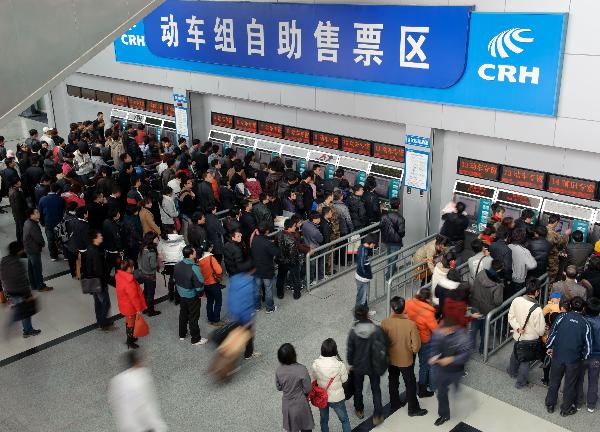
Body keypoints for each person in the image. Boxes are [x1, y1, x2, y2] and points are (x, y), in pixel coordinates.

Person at [381, 296, 428, 417]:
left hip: (390, 358)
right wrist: (410, 350)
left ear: (392, 308)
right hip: (406, 360)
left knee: (393, 380)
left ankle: (395, 403)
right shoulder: (410, 324)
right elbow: (416, 347)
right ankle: (413, 409)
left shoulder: (385, 322)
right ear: (404, 308)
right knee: (410, 383)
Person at [545, 296, 592, 416]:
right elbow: (588, 345)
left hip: (558, 356)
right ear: (583, 308)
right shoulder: (585, 323)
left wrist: (549, 347)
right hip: (573, 360)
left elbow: (553, 333)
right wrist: (584, 357)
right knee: (570, 385)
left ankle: (550, 405)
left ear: (570, 306)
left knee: (554, 381)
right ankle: (565, 410)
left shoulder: (561, 317)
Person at [108, 350, 168, 432]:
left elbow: (113, 404)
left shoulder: (115, 381)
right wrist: (158, 426)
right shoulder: (142, 377)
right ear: (136, 362)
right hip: (144, 427)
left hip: (126, 427)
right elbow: (147, 406)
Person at [428, 317, 473, 426]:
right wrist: (434, 356)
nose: (443, 332)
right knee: (441, 392)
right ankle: (444, 415)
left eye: (446, 330)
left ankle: (457, 386)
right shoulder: (438, 333)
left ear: (453, 328)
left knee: (456, 382)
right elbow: (434, 347)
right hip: (442, 369)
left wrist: (452, 359)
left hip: (456, 369)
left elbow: (466, 356)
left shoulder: (463, 337)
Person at [347, 304, 386, 425]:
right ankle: (378, 415)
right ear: (367, 314)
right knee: (376, 390)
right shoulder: (377, 329)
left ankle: (359, 409)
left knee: (358, 389)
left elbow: (350, 351)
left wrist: (351, 363)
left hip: (358, 366)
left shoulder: (353, 332)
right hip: (373, 366)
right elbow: (383, 346)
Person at [507, 279, 546, 389]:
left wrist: (517, 328)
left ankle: (512, 371)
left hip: (518, 335)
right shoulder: (537, 309)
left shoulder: (517, 300)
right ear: (537, 292)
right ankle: (521, 382)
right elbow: (540, 331)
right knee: (525, 361)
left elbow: (511, 316)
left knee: (515, 353)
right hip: (530, 339)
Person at [0, 242, 41, 338]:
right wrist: (28, 294)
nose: (23, 250)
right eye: (22, 249)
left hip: (9, 291)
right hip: (19, 292)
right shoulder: (18, 263)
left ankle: (23, 329)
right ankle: (27, 331)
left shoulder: (4, 260)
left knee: (19, 310)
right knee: (25, 312)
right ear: (18, 251)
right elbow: (22, 281)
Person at [311, 338, 351, 432]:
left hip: (322, 397)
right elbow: (345, 380)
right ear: (335, 350)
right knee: (344, 420)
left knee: (324, 421)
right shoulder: (340, 365)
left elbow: (315, 378)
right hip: (337, 398)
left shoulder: (316, 364)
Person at [405, 287, 437, 397]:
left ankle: (412, 385)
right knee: (424, 365)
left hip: (411, 337)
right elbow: (435, 329)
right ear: (428, 299)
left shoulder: (409, 302)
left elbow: (403, 312)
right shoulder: (428, 313)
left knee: (411, 363)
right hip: (424, 340)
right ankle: (422, 389)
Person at [275, 343, 314, 432]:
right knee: (306, 427)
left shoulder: (279, 370)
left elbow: (279, 387)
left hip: (287, 405)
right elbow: (308, 388)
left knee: (291, 428)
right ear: (293, 355)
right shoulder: (301, 369)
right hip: (301, 403)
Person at [173, 246, 207, 346]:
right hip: (192, 296)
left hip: (181, 294)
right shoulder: (194, 268)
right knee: (193, 316)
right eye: (194, 251)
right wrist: (200, 294)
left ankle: (182, 334)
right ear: (191, 255)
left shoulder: (177, 265)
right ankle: (196, 339)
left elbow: (175, 279)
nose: (196, 251)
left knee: (183, 313)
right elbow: (199, 284)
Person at [470, 260, 505, 353]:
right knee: (485, 331)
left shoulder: (481, 273)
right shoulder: (498, 285)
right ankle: (483, 349)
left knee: (473, 328)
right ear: (499, 270)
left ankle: (468, 347)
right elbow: (498, 302)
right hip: (487, 310)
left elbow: (473, 288)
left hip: (474, 305)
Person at [82, 230, 114, 331]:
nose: (101, 237)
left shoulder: (89, 249)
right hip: (99, 282)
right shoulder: (95, 252)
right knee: (105, 302)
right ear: (95, 239)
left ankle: (100, 321)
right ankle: (104, 323)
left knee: (98, 302)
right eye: (100, 236)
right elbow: (100, 270)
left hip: (92, 281)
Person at [227, 268, 259, 359]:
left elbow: (231, 296)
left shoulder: (235, 278)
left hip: (234, 313)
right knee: (248, 335)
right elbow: (249, 302)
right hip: (244, 316)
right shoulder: (249, 283)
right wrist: (248, 319)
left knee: (236, 333)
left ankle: (233, 352)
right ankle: (248, 354)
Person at [115, 259, 147, 349]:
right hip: (130, 307)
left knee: (129, 322)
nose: (133, 268)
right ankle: (130, 341)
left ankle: (131, 338)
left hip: (124, 304)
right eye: (132, 267)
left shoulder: (120, 276)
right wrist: (138, 309)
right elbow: (134, 297)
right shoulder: (129, 282)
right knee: (131, 324)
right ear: (128, 268)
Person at [251, 223, 280, 313]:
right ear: (267, 231)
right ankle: (269, 308)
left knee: (256, 289)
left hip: (256, 269)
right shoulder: (268, 243)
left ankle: (257, 306)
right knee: (268, 289)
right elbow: (276, 253)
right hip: (266, 269)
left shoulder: (254, 240)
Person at [23, 208, 53, 292]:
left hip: (28, 249)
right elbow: (38, 238)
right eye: (36, 212)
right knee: (37, 269)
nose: (39, 213)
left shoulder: (27, 222)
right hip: (34, 250)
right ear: (31, 215)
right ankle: (41, 286)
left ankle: (33, 285)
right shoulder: (33, 225)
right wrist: (43, 243)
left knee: (31, 269)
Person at [157, 226, 186, 304]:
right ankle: (177, 298)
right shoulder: (179, 239)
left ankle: (170, 295)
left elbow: (159, 250)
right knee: (178, 280)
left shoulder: (162, 239)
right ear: (173, 231)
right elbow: (184, 249)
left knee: (171, 278)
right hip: (178, 262)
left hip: (168, 263)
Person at [198, 242, 224, 326]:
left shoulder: (199, 259)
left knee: (209, 301)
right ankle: (216, 320)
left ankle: (210, 319)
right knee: (218, 301)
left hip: (205, 284)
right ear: (209, 248)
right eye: (211, 247)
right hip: (213, 283)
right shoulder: (210, 258)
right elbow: (219, 270)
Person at [276, 218, 303, 300]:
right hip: (291, 262)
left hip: (281, 261)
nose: (295, 228)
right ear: (289, 227)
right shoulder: (292, 239)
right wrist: (294, 261)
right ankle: (297, 294)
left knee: (280, 277)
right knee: (296, 278)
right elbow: (292, 254)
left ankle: (279, 293)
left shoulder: (278, 234)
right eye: (294, 226)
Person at [38, 182, 65, 261]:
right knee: (61, 239)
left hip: (48, 223)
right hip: (59, 223)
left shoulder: (42, 199)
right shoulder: (61, 199)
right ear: (58, 190)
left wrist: (42, 222)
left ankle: (53, 256)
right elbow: (64, 211)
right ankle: (65, 254)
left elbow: (40, 212)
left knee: (50, 240)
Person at [581, 297, 600, 413]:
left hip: (582, 354)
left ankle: (578, 401)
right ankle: (591, 404)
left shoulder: (582, 321)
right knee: (594, 380)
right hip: (596, 356)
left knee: (579, 378)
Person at [380, 198, 406, 280]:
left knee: (389, 256)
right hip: (396, 241)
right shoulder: (400, 218)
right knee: (393, 259)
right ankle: (389, 277)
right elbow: (402, 232)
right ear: (399, 205)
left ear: (390, 205)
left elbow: (381, 226)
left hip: (386, 240)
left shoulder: (384, 216)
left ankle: (390, 270)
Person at [508, 228, 537, 297]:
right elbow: (532, 265)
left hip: (508, 278)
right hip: (519, 280)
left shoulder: (508, 246)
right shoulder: (524, 251)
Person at [139, 232, 161, 317]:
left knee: (146, 290)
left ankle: (144, 308)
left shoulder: (143, 248)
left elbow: (139, 260)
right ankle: (151, 311)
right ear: (151, 240)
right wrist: (159, 261)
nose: (158, 239)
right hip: (150, 275)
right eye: (156, 238)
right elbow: (153, 266)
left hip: (143, 273)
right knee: (151, 293)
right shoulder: (152, 253)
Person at [355, 234, 377, 313]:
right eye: (374, 244)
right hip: (362, 278)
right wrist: (366, 275)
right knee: (361, 297)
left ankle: (365, 311)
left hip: (361, 277)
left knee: (363, 296)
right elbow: (361, 265)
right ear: (370, 242)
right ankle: (359, 314)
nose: (374, 246)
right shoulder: (363, 251)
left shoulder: (363, 248)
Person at [546, 214, 570, 283]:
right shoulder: (555, 235)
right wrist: (566, 234)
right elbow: (563, 244)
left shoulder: (543, 229)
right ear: (556, 222)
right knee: (550, 281)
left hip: (542, 260)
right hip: (551, 261)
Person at [489, 226, 513, 291]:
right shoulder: (507, 250)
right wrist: (509, 279)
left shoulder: (492, 245)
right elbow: (508, 267)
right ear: (506, 237)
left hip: (493, 272)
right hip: (502, 276)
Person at [9, 179, 27, 244]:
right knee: (22, 228)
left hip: (15, 213)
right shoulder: (17, 193)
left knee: (18, 227)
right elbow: (19, 206)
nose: (20, 182)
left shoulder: (11, 190)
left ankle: (19, 241)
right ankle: (22, 242)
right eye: (18, 182)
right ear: (15, 184)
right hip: (20, 214)